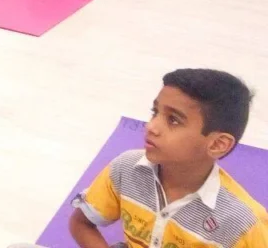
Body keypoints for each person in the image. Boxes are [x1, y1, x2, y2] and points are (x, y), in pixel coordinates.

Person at [68, 69, 268, 248]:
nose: (151, 126)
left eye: (173, 120)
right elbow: (81, 223)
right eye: (155, 112)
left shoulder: (242, 224)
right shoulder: (126, 168)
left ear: (217, 144)